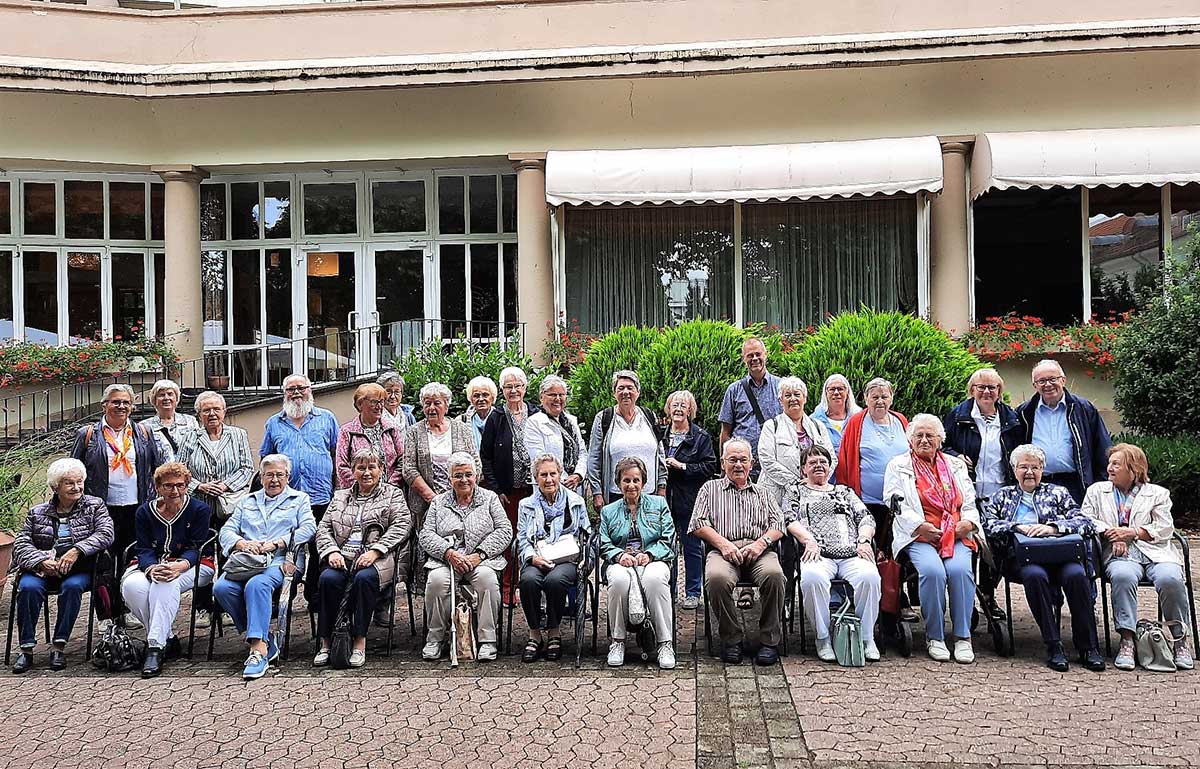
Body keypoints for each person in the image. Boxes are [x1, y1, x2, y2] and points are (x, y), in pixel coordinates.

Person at [981, 444, 1105, 672]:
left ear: (1043, 470)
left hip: (1060, 555)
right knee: (1035, 576)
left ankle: (1088, 647)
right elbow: (988, 525)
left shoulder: (1058, 493)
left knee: (1077, 575)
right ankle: (1053, 644)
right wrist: (1019, 527)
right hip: (1022, 559)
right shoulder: (1002, 496)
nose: (1029, 472)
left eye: (1035, 467)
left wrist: (1053, 528)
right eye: (1023, 467)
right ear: (1014, 469)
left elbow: (1085, 522)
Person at [1082, 442, 1193, 671]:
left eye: (1116, 464)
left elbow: (1164, 528)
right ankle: (1127, 640)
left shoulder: (1158, 494)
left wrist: (1132, 532)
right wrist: (1111, 534)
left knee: (1170, 578)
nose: (1110, 468)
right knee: (1123, 576)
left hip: (1155, 551)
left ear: (1133, 469)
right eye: (1110, 463)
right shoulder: (1097, 491)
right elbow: (1086, 519)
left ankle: (1180, 640)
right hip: (1119, 552)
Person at [883, 414, 980, 664]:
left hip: (956, 533)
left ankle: (962, 637)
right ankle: (935, 636)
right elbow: (893, 502)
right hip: (919, 535)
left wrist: (967, 523)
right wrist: (919, 526)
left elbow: (969, 500)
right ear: (910, 440)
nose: (924, 440)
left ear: (940, 440)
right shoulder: (898, 465)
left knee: (960, 570)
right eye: (919, 436)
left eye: (930, 436)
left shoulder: (955, 466)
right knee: (932, 571)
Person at [214, 454, 316, 680]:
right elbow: (227, 530)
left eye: (280, 474)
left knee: (257, 584)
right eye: (269, 475)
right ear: (261, 477)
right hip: (249, 560)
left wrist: (278, 542)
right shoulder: (247, 501)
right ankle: (262, 637)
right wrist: (242, 543)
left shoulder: (299, 499)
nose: (274, 479)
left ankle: (257, 652)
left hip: (283, 559)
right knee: (221, 588)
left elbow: (309, 529)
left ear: (288, 476)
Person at [71, 383, 162, 628]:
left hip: (136, 507)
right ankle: (107, 615)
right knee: (103, 562)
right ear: (104, 405)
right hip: (102, 510)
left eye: (126, 402)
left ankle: (128, 608)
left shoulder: (143, 433)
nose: (121, 406)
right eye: (115, 401)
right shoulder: (89, 434)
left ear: (132, 407)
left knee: (132, 559)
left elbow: (157, 469)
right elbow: (73, 471)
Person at [10, 458, 114, 674]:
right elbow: (21, 543)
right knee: (28, 588)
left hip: (79, 569)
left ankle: (59, 646)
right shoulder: (37, 512)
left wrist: (77, 551)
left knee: (72, 588)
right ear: (55, 487)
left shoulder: (94, 505)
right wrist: (40, 561)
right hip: (42, 568)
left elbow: (105, 533)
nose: (76, 488)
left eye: (79, 482)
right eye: (69, 483)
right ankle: (27, 649)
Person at [690, 438, 786, 666]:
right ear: (723, 463)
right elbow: (697, 523)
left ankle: (768, 641)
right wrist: (724, 545)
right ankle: (731, 639)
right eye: (732, 460)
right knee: (716, 578)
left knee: (775, 576)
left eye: (743, 460)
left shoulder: (763, 492)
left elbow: (779, 525)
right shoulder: (709, 489)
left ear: (752, 463)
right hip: (723, 550)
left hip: (759, 550)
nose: (738, 465)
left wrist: (761, 544)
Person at [313, 448, 411, 669]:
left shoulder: (393, 494)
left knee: (364, 579)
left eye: (372, 467)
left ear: (381, 470)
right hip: (343, 556)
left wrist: (375, 551)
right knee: (328, 579)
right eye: (361, 468)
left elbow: (403, 525)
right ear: (353, 471)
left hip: (378, 558)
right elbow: (323, 529)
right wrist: (331, 552)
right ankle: (327, 643)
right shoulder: (340, 496)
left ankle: (359, 642)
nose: (367, 472)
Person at [784, 445, 880, 663]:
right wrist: (808, 540)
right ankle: (823, 637)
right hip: (817, 552)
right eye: (812, 463)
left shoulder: (844, 491)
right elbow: (789, 518)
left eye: (823, 462)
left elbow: (865, 517)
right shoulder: (796, 491)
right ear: (803, 470)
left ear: (829, 468)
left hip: (851, 551)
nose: (818, 466)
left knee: (870, 577)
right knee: (811, 578)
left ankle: (865, 638)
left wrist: (864, 540)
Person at [120, 462, 215, 677]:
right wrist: (152, 568)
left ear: (187, 485)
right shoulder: (145, 511)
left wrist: (178, 566)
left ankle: (154, 647)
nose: (175, 491)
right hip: (153, 564)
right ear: (158, 487)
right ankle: (168, 638)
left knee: (165, 582)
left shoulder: (199, 509)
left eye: (180, 485)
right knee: (133, 586)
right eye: (168, 486)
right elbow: (143, 548)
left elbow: (197, 546)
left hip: (196, 565)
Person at [419, 453, 511, 662]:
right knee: (436, 581)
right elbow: (426, 534)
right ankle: (435, 638)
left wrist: (480, 554)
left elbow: (505, 530)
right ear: (450, 478)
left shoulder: (489, 498)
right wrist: (447, 553)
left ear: (476, 475)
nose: (463, 480)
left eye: (468, 474)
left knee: (487, 580)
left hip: (481, 560)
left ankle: (487, 640)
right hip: (447, 560)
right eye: (457, 475)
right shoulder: (438, 502)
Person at [259, 373, 338, 609]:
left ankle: (314, 594)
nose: (296, 393)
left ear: (310, 390)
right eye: (290, 389)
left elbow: (336, 452)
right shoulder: (274, 422)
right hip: (286, 498)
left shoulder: (327, 418)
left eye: (300, 388)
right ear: (284, 393)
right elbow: (266, 457)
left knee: (318, 547)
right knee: (284, 546)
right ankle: (284, 594)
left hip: (320, 494)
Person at [600, 456, 677, 669]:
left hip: (654, 559)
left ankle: (664, 643)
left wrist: (650, 554)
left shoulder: (659, 504)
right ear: (618, 483)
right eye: (626, 480)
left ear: (643, 482)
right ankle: (617, 641)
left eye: (636, 480)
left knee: (654, 578)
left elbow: (669, 537)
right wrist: (618, 555)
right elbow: (603, 542)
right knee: (617, 580)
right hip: (622, 562)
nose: (631, 485)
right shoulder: (608, 511)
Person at [515, 454, 590, 663]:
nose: (549, 479)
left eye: (553, 474)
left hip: (567, 559)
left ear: (560, 475)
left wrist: (584, 557)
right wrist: (532, 557)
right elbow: (521, 538)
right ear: (535, 478)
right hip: (537, 557)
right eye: (543, 475)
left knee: (555, 580)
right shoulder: (526, 505)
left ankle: (554, 632)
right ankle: (535, 634)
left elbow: (587, 533)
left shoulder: (575, 501)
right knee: (529, 580)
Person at [480, 366, 540, 604]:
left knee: (534, 536)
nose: (514, 390)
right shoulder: (496, 417)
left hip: (534, 489)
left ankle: (531, 587)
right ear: (502, 390)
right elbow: (485, 456)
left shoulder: (535, 413)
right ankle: (508, 587)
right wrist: (496, 490)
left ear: (525, 388)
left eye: (518, 386)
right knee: (509, 539)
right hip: (508, 492)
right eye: (508, 387)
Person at [1018, 359, 1112, 503]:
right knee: (1042, 526)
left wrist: (1102, 484)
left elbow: (1102, 447)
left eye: (1052, 379)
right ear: (1035, 385)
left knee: (1075, 524)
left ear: (1063, 380)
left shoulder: (1083, 409)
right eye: (1042, 381)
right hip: (1038, 484)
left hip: (1076, 485)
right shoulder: (1025, 412)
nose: (1048, 384)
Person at [836, 378, 909, 558]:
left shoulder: (900, 420)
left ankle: (895, 586)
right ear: (866, 398)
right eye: (875, 397)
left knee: (897, 552)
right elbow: (845, 460)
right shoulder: (856, 422)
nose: (880, 401)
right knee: (871, 550)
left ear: (891, 398)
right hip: (868, 502)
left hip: (900, 502)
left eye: (884, 396)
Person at [661, 389, 718, 610]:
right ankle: (669, 589)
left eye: (683, 405)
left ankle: (693, 592)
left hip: (690, 498)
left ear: (690, 410)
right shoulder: (660, 435)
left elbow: (709, 467)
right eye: (675, 404)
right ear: (668, 408)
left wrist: (682, 466)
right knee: (666, 546)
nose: (678, 409)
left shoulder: (700, 437)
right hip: (663, 498)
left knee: (692, 547)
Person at [588, 369, 666, 510]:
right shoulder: (604, 418)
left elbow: (660, 455)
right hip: (616, 496)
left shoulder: (649, 417)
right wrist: (597, 493)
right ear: (614, 393)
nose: (625, 392)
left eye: (630, 388)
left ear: (638, 392)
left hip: (650, 494)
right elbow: (594, 459)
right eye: (621, 388)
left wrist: (662, 486)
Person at [943, 369, 1024, 501]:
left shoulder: (1011, 419)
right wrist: (956, 456)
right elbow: (941, 447)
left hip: (1002, 492)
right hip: (965, 491)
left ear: (999, 391)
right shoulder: (957, 416)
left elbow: (1019, 453)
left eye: (991, 387)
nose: (986, 392)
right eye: (981, 387)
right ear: (972, 390)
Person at [175, 391, 254, 521]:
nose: (212, 414)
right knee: (202, 540)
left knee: (230, 539)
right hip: (199, 503)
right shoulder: (190, 436)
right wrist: (200, 486)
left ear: (224, 411)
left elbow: (247, 468)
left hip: (231, 503)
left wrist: (225, 485)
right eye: (206, 410)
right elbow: (180, 471)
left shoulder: (238, 434)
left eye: (216, 409)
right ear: (199, 415)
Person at [758, 376, 836, 508]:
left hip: (813, 496)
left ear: (804, 398)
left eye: (797, 394)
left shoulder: (818, 426)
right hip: (777, 497)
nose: (793, 399)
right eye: (787, 395)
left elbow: (832, 458)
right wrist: (797, 483)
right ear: (780, 400)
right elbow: (766, 460)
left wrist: (817, 480)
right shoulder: (771, 426)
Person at [717, 337, 782, 465]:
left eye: (758, 354)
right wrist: (724, 466)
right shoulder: (734, 390)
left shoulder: (781, 387)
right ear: (743, 359)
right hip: (741, 464)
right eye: (749, 356)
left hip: (774, 461)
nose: (755, 359)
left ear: (766, 354)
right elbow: (725, 432)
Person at [335, 382, 405, 489]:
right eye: (374, 402)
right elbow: (342, 467)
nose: (379, 406)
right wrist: (364, 487)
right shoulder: (347, 432)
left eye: (381, 401)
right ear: (360, 404)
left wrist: (390, 486)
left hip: (390, 493)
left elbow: (402, 460)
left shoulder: (391, 428)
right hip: (358, 496)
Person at [523, 375, 587, 492]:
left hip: (575, 488)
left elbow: (582, 452)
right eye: (552, 395)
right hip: (549, 488)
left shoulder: (571, 421)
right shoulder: (534, 423)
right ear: (541, 397)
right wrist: (563, 480)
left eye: (561, 395)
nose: (557, 398)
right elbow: (539, 460)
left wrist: (578, 475)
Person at [809, 374, 861, 475]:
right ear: (825, 393)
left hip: (854, 476)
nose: (836, 393)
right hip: (826, 479)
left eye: (840, 389)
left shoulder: (858, 418)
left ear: (847, 392)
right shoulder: (814, 421)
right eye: (832, 389)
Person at [140, 379, 200, 463]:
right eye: (161, 395)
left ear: (176, 398)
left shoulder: (190, 421)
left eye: (170, 394)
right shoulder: (144, 426)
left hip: (187, 474)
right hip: (160, 475)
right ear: (154, 400)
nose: (166, 398)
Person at [459, 376, 498, 449]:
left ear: (492, 398)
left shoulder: (501, 420)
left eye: (485, 395)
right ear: (471, 399)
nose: (481, 399)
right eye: (476, 396)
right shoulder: (461, 421)